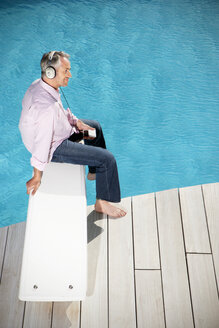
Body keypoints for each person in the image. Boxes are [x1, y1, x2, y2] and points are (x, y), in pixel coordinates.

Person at [19, 51, 126, 218]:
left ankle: (93, 170)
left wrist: (75, 122)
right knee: (107, 159)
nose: (70, 74)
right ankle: (102, 202)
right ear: (50, 72)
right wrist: (37, 176)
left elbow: (59, 112)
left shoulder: (41, 85)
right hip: (54, 147)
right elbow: (42, 142)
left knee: (94, 129)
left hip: (59, 132)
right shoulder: (46, 110)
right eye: (66, 71)